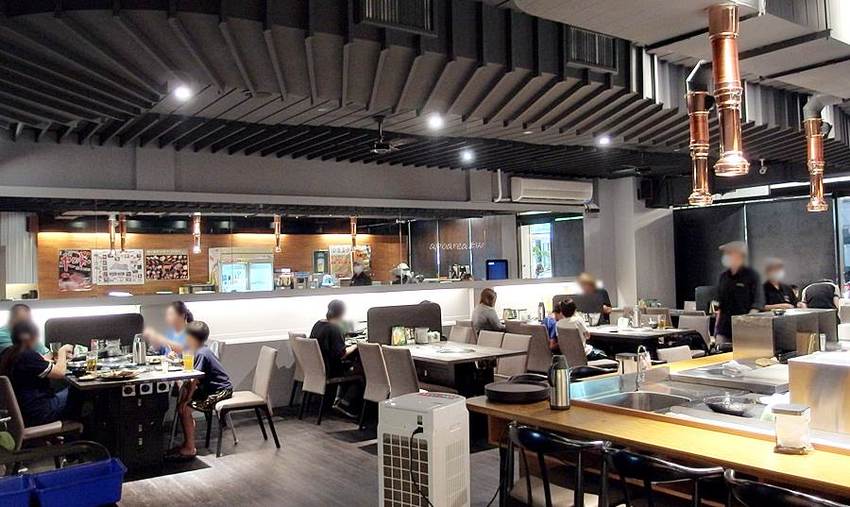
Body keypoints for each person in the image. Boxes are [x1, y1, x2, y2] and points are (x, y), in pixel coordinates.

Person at [168, 321, 232, 461]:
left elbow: (194, 379)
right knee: (182, 406)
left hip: (220, 391)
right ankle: (188, 443)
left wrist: (188, 400)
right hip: (210, 390)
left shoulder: (202, 353)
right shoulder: (200, 350)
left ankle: (190, 448)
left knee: (185, 409)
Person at [0, 321, 75, 426]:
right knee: (79, 391)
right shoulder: (27, 355)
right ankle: (89, 431)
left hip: (23, 412)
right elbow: (60, 373)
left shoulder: (9, 353)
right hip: (41, 412)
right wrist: (62, 351)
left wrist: (56, 358)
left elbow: (39, 361)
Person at [309, 300, 360, 417]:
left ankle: (339, 399)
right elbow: (342, 354)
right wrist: (355, 346)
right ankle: (345, 403)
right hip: (331, 370)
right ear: (342, 313)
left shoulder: (318, 324)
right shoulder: (334, 328)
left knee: (352, 367)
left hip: (318, 368)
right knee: (360, 371)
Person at [715, 241, 763, 348]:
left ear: (739, 255)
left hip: (744, 331)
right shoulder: (723, 277)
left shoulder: (752, 276)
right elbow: (720, 306)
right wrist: (716, 329)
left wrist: (745, 324)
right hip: (724, 330)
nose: (725, 256)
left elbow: (757, 304)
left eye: (729, 253)